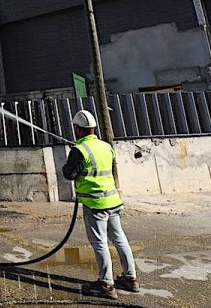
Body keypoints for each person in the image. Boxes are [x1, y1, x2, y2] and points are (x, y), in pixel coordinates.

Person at [62, 110, 139, 300]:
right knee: (120, 238)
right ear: (93, 129)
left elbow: (68, 174)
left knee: (99, 243)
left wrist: (75, 155)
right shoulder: (105, 147)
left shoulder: (80, 151)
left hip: (95, 204)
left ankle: (106, 284)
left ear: (78, 129)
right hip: (113, 201)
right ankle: (130, 278)